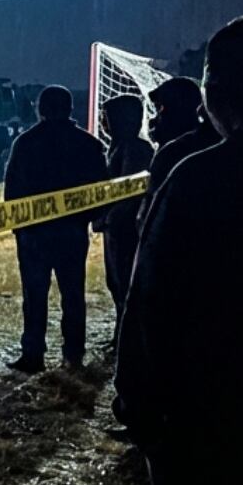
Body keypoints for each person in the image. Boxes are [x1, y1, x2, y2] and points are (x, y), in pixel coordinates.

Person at [115, 15, 243, 485]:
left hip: (208, 431)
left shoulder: (197, 181)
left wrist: (139, 408)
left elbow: (149, 302)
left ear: (216, 96)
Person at [1, 85, 108, 373]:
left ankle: (33, 354)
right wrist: (89, 218)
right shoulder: (89, 144)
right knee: (73, 294)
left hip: (34, 233)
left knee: (34, 294)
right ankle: (73, 355)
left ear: (41, 108)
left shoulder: (26, 143)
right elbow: (100, 189)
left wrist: (17, 225)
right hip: (72, 232)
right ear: (70, 109)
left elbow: (12, 188)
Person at [96, 94, 153, 328]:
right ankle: (120, 330)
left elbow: (129, 191)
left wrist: (109, 217)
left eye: (106, 117)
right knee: (115, 281)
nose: (102, 122)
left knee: (124, 280)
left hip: (125, 226)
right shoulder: (117, 146)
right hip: (113, 226)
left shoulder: (135, 148)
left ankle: (126, 332)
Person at [142, 76, 219, 220]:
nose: (154, 119)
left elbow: (148, 220)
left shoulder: (173, 153)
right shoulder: (212, 145)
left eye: (161, 108)